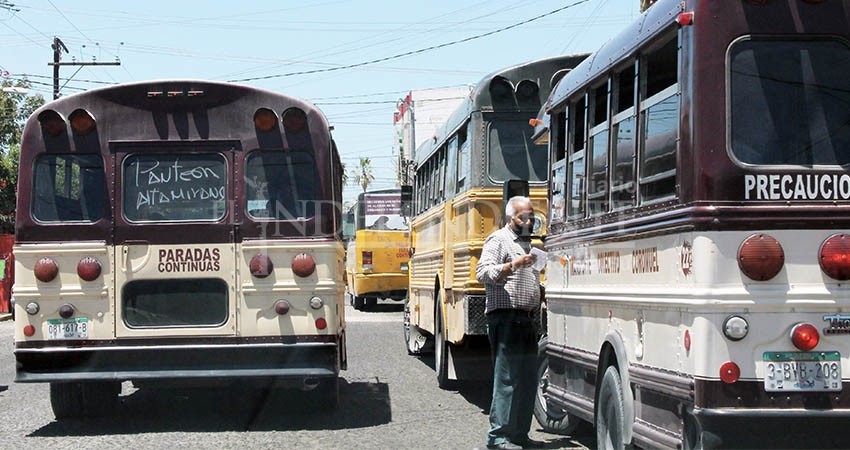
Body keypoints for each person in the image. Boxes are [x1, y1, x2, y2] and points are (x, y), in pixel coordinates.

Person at [476, 196, 541, 450]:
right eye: (523, 217)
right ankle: (498, 437)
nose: (528, 221)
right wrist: (512, 265)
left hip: (526, 319)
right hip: (505, 317)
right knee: (507, 379)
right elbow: (482, 272)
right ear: (510, 218)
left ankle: (520, 435)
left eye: (532, 217)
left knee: (527, 380)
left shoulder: (529, 246)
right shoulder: (499, 240)